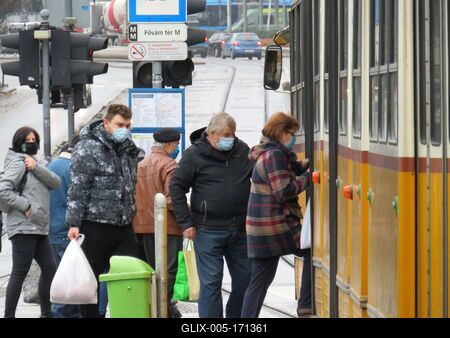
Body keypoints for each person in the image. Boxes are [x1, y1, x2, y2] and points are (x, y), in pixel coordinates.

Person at [170, 113, 253, 318]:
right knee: (211, 281)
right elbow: (177, 187)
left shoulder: (241, 150)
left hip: (240, 229)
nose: (230, 139)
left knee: (246, 279)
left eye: (233, 134)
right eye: (226, 135)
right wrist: (185, 223)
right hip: (208, 230)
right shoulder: (194, 155)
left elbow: (258, 175)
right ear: (212, 134)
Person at [66, 104, 140, 318]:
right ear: (106, 123)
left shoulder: (128, 148)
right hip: (95, 224)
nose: (124, 129)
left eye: (127, 125)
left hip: (124, 225)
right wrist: (74, 223)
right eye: (119, 124)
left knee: (130, 276)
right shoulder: (88, 147)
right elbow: (78, 187)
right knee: (90, 282)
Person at [241, 112, 311, 318]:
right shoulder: (275, 156)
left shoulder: (268, 152)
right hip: (275, 225)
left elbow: (288, 170)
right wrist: (308, 178)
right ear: (281, 133)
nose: (293, 137)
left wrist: (303, 167)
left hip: (263, 226)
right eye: (292, 133)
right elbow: (283, 191)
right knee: (311, 251)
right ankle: (305, 306)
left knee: (260, 279)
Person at [0, 127, 61, 318]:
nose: (32, 142)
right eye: (28, 139)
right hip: (23, 227)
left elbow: (56, 182)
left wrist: (35, 166)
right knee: (19, 272)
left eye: (34, 139)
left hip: (39, 227)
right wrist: (24, 204)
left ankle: (46, 313)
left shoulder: (34, 163)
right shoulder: (18, 163)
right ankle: (9, 315)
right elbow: (2, 190)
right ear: (19, 142)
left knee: (50, 269)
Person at [133, 128, 183, 318]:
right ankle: (163, 309)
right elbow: (171, 200)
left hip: (142, 225)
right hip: (166, 227)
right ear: (170, 145)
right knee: (168, 271)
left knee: (151, 270)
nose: (177, 148)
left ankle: (152, 308)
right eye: (177, 145)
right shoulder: (169, 165)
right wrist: (187, 213)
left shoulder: (142, 164)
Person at [47, 135, 81, 318]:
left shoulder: (51, 166)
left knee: (59, 276)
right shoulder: (74, 168)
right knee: (71, 277)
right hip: (69, 230)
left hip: (52, 228)